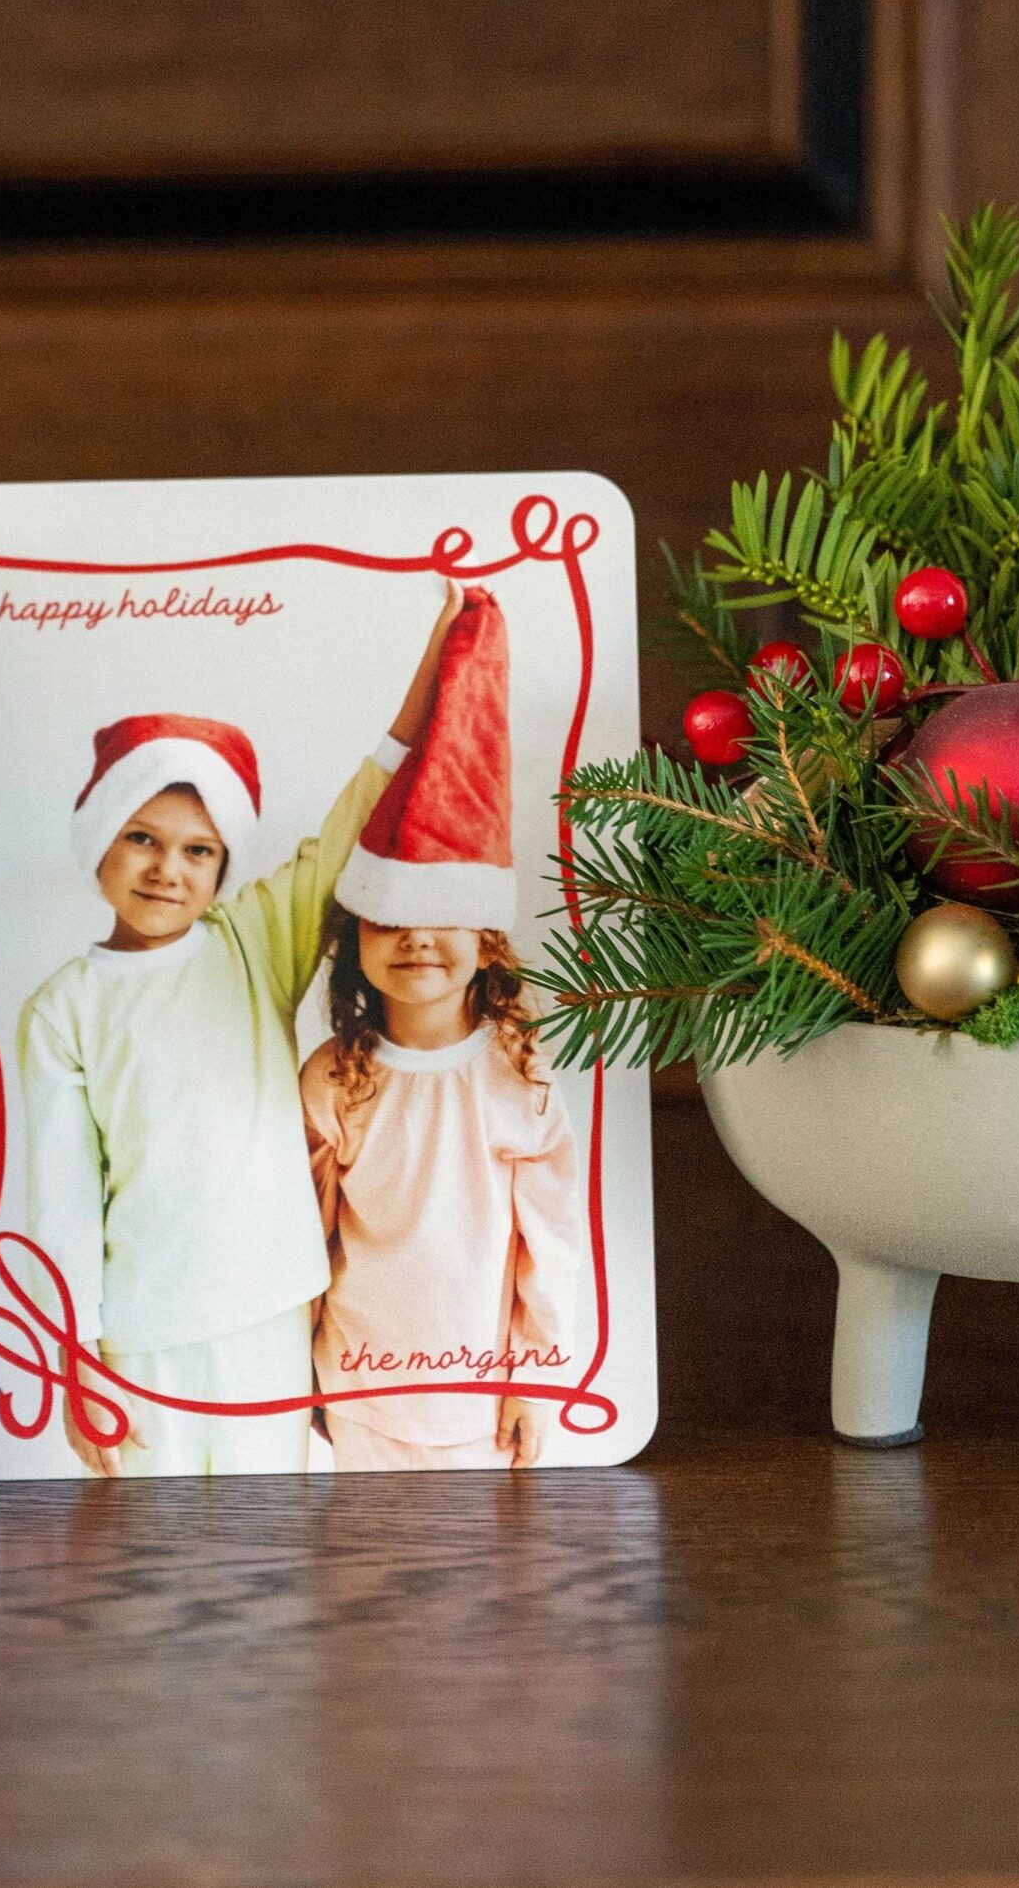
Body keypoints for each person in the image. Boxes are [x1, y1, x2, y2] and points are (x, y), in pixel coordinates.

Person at [14, 585, 461, 1478]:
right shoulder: (62, 1008)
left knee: (270, 1558)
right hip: (143, 1339)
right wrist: (77, 1358)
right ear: (99, 842)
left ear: (223, 867)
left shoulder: (253, 939)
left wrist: (435, 662)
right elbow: (60, 1200)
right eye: (142, 838)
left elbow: (348, 825)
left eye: (198, 850)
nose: (167, 869)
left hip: (268, 1311)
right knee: (157, 1569)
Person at [302, 588, 582, 1472]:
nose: (417, 937)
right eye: (391, 917)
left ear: (486, 939)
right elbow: (304, 1238)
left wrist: (534, 1381)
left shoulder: (522, 1078)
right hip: (353, 1393)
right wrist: (292, 1379)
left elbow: (551, 1245)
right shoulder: (333, 1079)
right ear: (356, 942)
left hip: (477, 1404)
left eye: (442, 913)